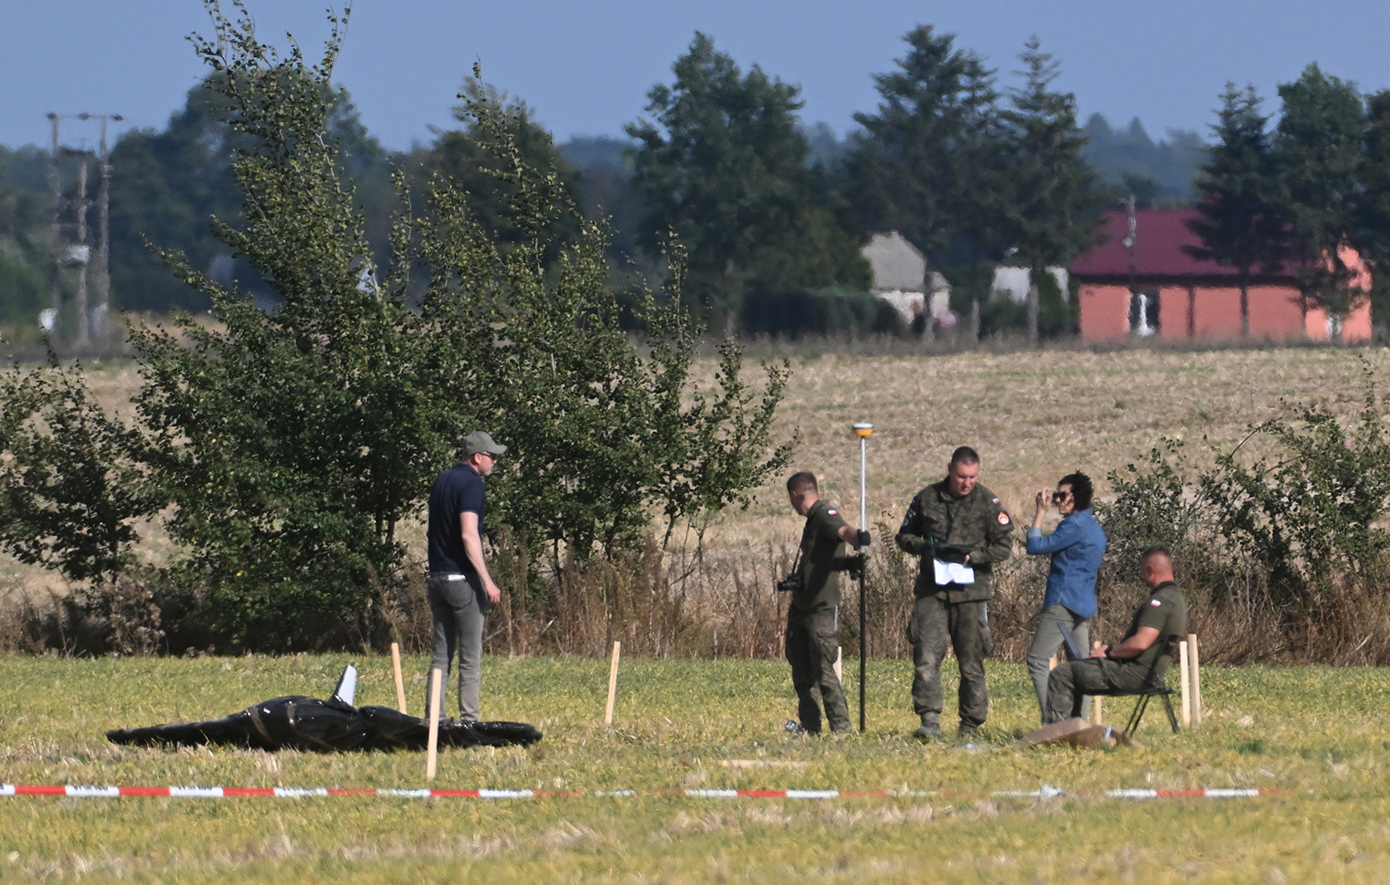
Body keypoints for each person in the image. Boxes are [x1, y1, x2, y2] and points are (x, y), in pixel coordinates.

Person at [894, 446, 1014, 740]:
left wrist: (974, 556)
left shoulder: (988, 502)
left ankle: (970, 725)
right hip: (932, 591)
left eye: (972, 477)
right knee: (926, 657)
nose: (966, 482)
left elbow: (1004, 546)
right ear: (950, 469)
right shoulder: (927, 498)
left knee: (971, 662)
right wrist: (926, 547)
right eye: (961, 476)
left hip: (970, 593)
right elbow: (904, 536)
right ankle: (929, 720)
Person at [1044, 546, 1188, 724]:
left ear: (1150, 569)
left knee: (1062, 673)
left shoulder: (1159, 602)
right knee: (1078, 668)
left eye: (1142, 570)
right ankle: (1074, 728)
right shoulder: (1177, 599)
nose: (1141, 576)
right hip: (1151, 674)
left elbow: (1140, 643)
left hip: (1134, 674)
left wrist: (1109, 652)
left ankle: (1056, 732)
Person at [424, 430, 507, 722]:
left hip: (436, 577)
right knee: (470, 658)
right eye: (492, 456)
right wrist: (487, 580)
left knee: (441, 656)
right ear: (477, 457)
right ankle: (469, 720)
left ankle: (433, 719)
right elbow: (468, 534)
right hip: (462, 580)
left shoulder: (442, 480)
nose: (495, 462)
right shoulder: (472, 484)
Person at [783, 471, 871, 735]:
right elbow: (826, 556)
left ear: (794, 495)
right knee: (802, 669)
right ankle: (810, 727)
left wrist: (858, 537)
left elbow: (842, 530)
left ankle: (841, 729)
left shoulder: (822, 514)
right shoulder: (812, 521)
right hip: (803, 604)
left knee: (824, 670)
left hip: (820, 608)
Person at [1025, 472, 1107, 722]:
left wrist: (1039, 512)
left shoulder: (1074, 526)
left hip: (1062, 602)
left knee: (1037, 660)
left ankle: (1052, 721)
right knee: (1081, 667)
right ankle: (1080, 723)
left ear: (1077, 498)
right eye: (1056, 496)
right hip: (1082, 605)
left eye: (1063, 496)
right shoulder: (1093, 527)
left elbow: (1035, 547)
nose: (1058, 501)